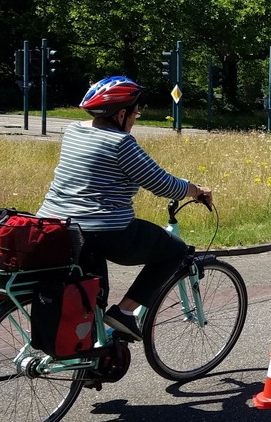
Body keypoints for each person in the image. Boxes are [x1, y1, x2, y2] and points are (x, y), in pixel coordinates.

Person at [36, 76, 212, 341]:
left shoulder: (72, 131)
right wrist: (196, 190)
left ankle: (91, 353)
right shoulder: (120, 144)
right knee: (174, 250)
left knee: (92, 296)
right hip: (105, 231)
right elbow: (163, 184)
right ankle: (125, 313)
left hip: (55, 225)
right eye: (135, 113)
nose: (135, 118)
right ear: (121, 114)